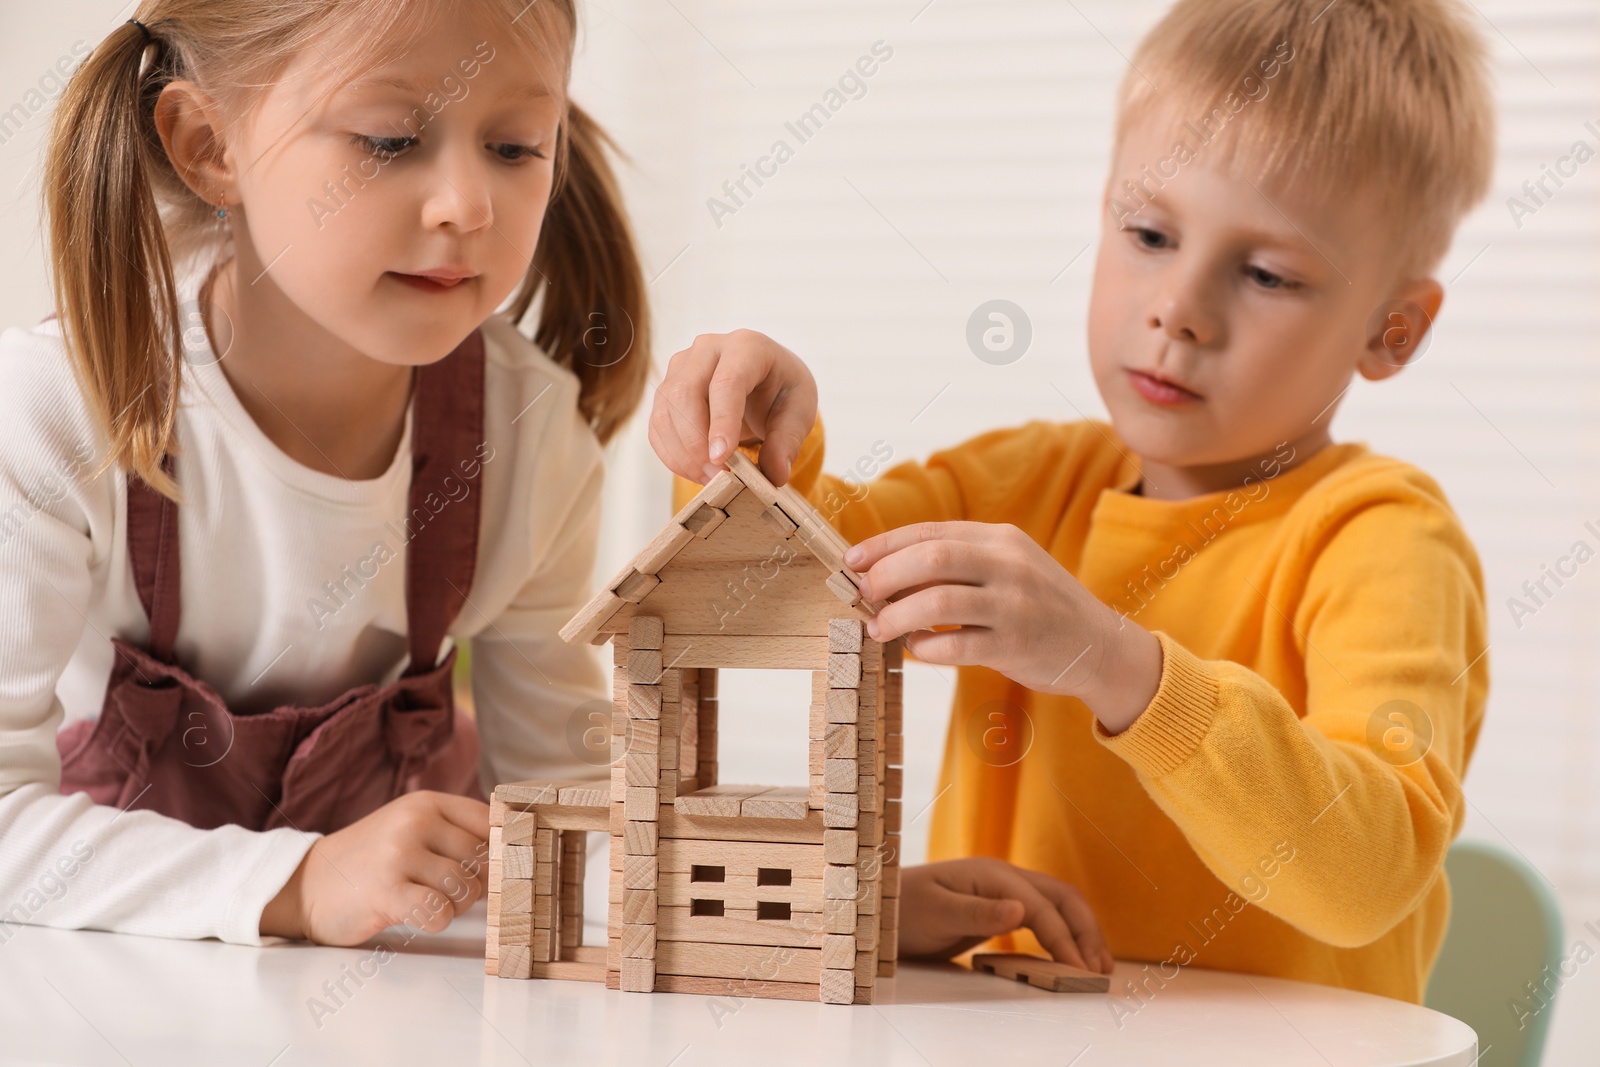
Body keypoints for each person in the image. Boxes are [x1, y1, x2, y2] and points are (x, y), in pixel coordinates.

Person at [647, 0, 1493, 1002]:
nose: (1177, 306)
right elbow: (773, 585)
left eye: (1265, 272)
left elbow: (1367, 875)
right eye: (1148, 232)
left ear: (1392, 329)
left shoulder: (1384, 540)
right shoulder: (1029, 483)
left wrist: (1119, 665)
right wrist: (743, 441)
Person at [0, 0, 648, 948]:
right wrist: (300, 882)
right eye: (390, 140)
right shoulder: (59, 410)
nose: (468, 206)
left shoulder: (530, 440)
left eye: (514, 146)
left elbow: (570, 819)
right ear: (208, 145)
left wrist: (831, 904)